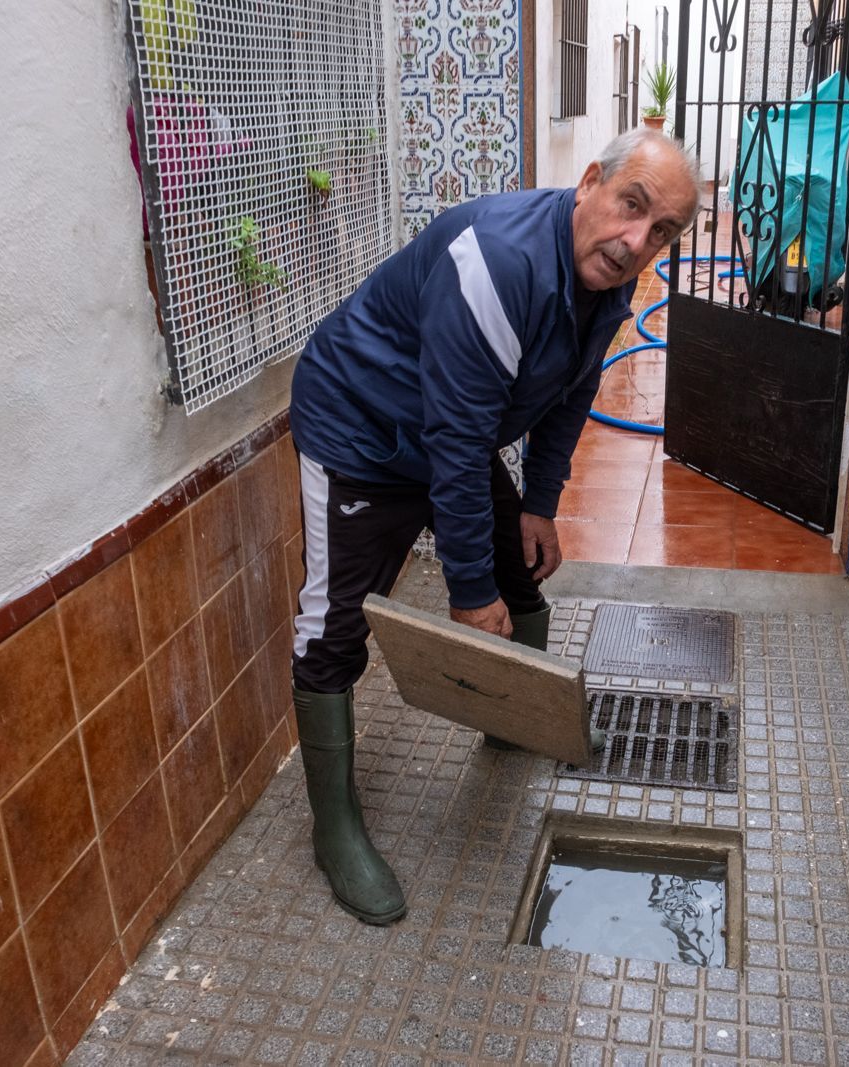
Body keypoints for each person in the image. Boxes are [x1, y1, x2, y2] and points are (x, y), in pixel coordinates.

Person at [286, 129, 700, 924]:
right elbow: (457, 442)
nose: (635, 241)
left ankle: (510, 723)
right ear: (590, 181)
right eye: (631, 205)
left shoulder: (608, 282)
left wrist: (539, 503)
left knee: (522, 568)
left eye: (662, 231)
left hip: (445, 431)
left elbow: (572, 391)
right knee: (333, 628)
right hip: (361, 432)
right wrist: (469, 593)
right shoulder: (497, 262)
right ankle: (333, 829)